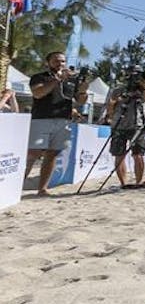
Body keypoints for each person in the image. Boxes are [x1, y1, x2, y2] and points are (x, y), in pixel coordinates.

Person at [24, 52, 89, 196]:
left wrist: (83, 91)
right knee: (33, 153)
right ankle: (17, 182)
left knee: (52, 154)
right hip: (42, 119)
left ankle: (42, 189)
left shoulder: (71, 80)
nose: (60, 64)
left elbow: (80, 101)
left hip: (63, 120)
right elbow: (38, 93)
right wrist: (57, 79)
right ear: (48, 62)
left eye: (63, 61)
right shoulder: (40, 77)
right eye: (56, 61)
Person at [106, 70, 145, 188]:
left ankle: (138, 182)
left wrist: (143, 85)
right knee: (119, 155)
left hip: (137, 125)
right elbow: (110, 105)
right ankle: (123, 183)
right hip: (119, 125)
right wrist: (114, 105)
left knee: (138, 155)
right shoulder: (118, 89)